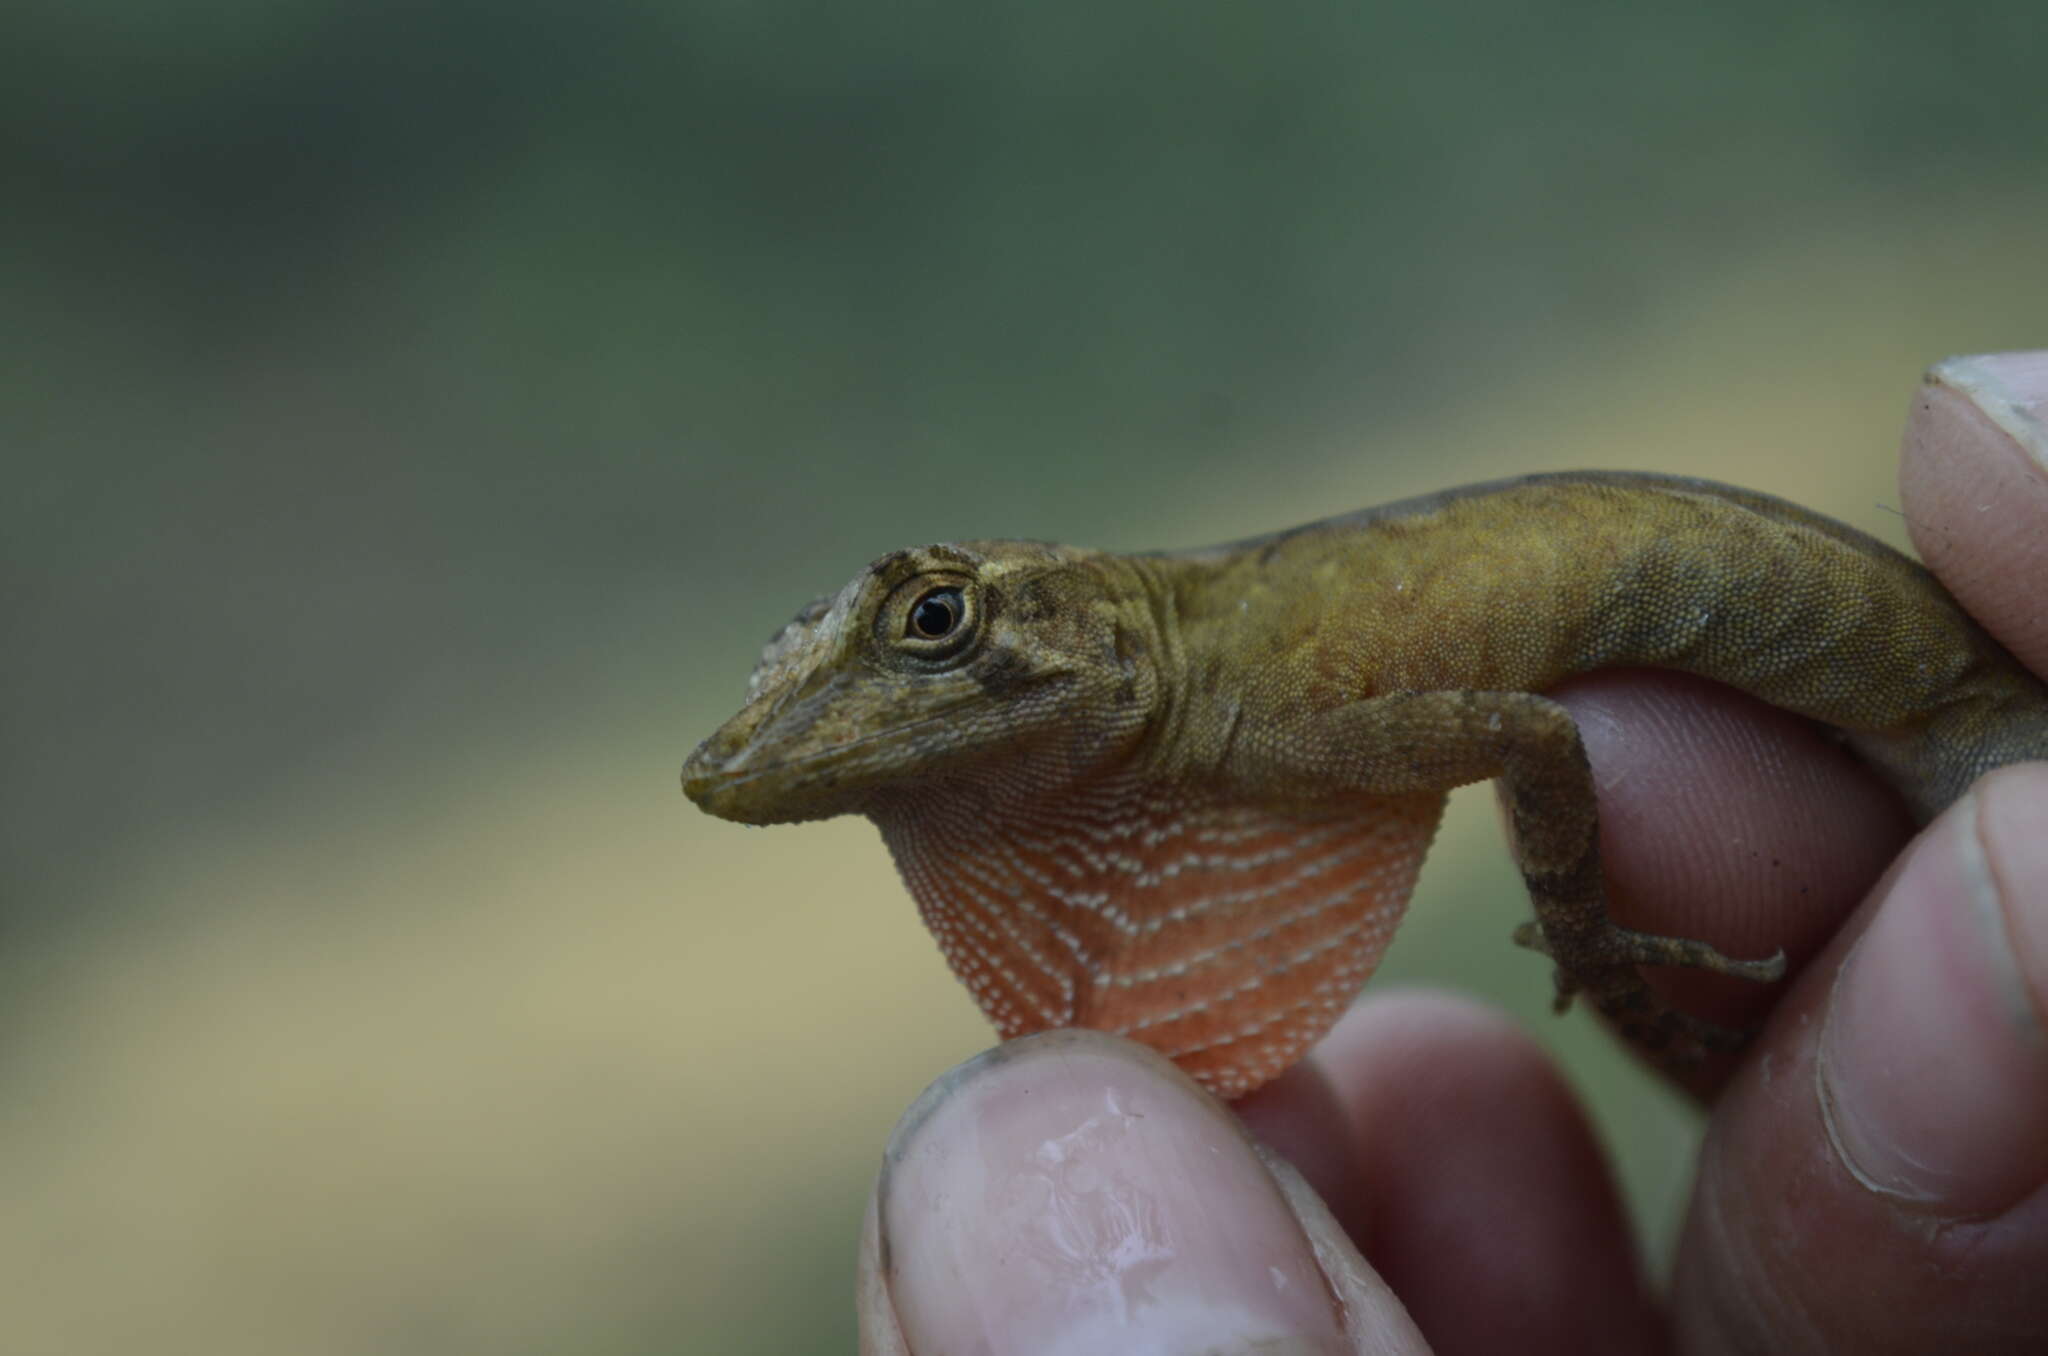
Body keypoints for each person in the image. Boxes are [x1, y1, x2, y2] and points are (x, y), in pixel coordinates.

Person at [855, 353, 2048, 1355]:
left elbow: (1525, 738)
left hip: (1980, 732)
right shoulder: (1245, 697)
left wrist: (1583, 927)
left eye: (934, 622)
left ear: (1091, 624)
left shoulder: (1262, 711)